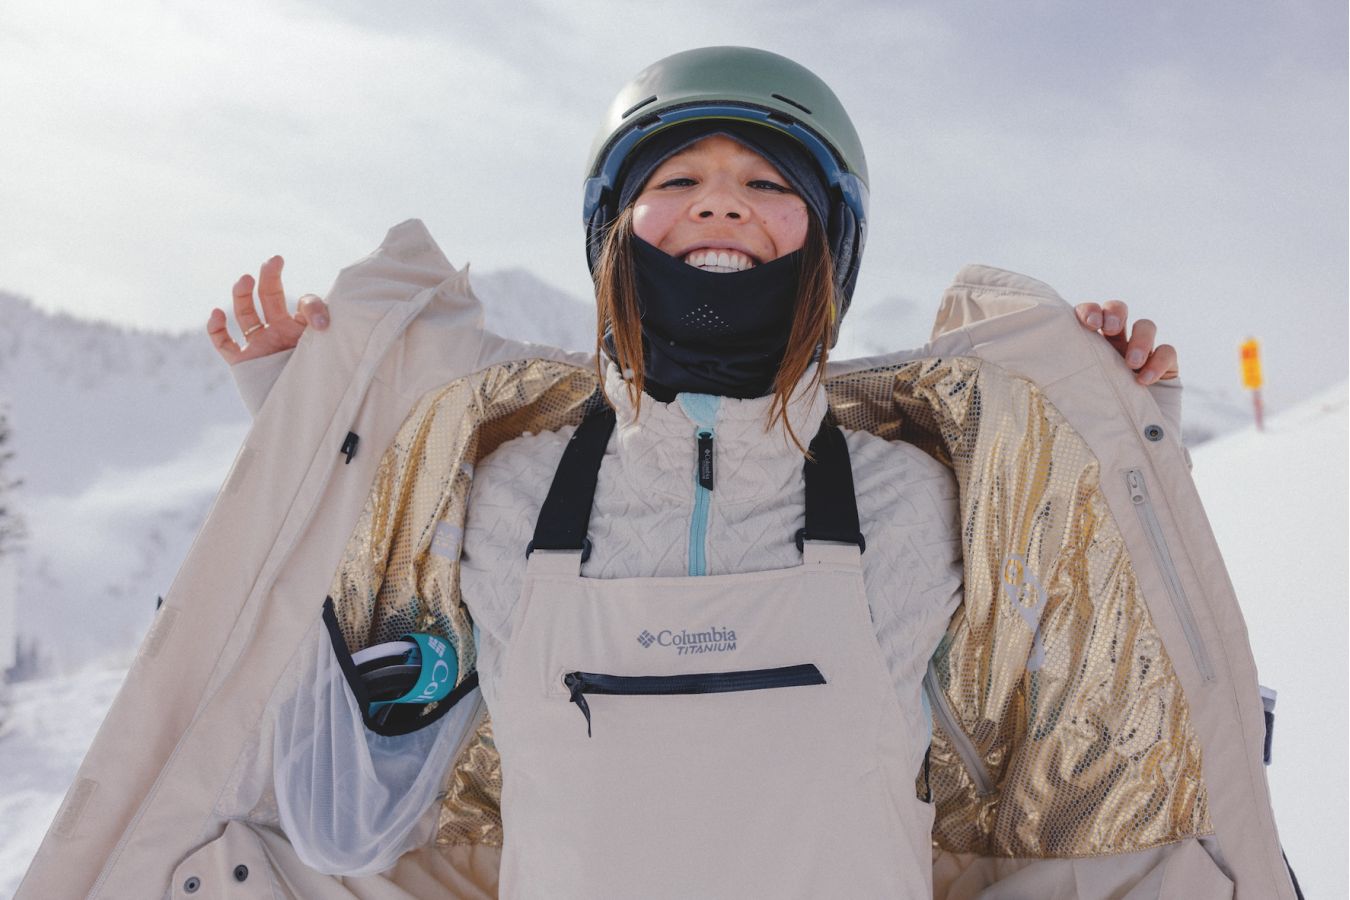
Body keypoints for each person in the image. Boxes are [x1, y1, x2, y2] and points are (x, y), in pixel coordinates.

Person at [209, 47, 1185, 898]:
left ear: (830, 243)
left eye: (768, 184)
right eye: (676, 180)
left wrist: (1117, 425)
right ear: (612, 233)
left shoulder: (918, 496)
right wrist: (313, 435)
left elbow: (1086, 700)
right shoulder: (507, 491)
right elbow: (347, 814)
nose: (721, 200)